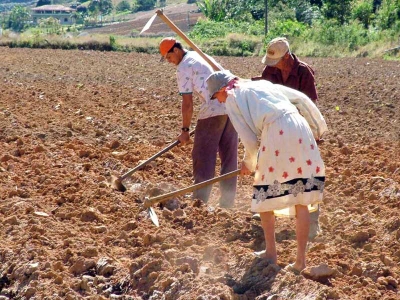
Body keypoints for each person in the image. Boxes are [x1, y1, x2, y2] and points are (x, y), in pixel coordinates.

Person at [206, 70, 327, 273]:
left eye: (215, 96)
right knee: (301, 197)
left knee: (263, 195)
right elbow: (300, 99)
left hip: (278, 132)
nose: (218, 101)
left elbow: (249, 139)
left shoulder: (232, 98)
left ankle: (271, 253)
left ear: (221, 90)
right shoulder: (259, 85)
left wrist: (248, 163)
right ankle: (300, 261)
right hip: (300, 127)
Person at [252, 37, 321, 239]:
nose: (273, 66)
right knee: (271, 168)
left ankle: (313, 222)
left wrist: (312, 133)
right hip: (277, 128)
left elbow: (309, 104)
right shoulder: (270, 71)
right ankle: (267, 209)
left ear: (288, 57)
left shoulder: (304, 72)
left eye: (277, 61)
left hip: (299, 127)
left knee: (306, 174)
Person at [159, 37, 238, 208]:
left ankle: (199, 203)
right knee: (229, 158)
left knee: (203, 156)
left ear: (176, 50)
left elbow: (187, 103)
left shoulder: (183, 68)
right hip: (232, 106)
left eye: (169, 57)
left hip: (213, 107)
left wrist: (185, 130)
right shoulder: (198, 55)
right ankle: (227, 204)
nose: (169, 61)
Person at [252, 37, 318, 103]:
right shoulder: (269, 69)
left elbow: (311, 101)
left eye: (275, 61)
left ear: (286, 56)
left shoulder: (303, 71)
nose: (272, 64)